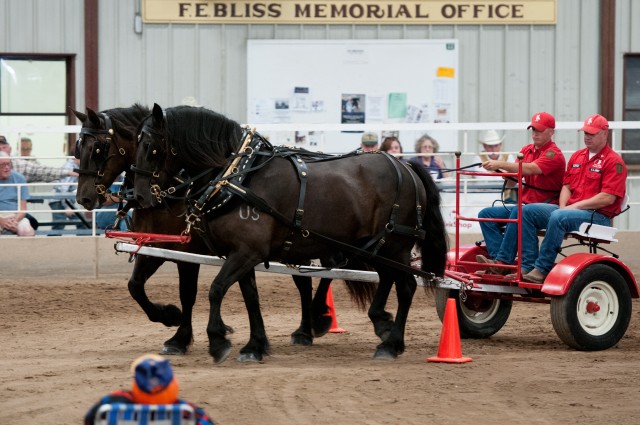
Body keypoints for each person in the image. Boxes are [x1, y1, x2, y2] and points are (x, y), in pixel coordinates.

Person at [521, 114, 627, 283]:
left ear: (604, 134)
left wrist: (572, 208)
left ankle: (542, 269)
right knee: (526, 211)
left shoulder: (614, 162)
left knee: (558, 216)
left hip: (598, 216)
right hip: (571, 211)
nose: (587, 137)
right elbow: (566, 186)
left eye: (591, 134)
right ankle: (527, 265)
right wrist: (564, 207)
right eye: (585, 133)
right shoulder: (578, 156)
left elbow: (607, 198)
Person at [476, 112, 566, 275]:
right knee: (486, 214)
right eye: (533, 129)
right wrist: (506, 174)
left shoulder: (554, 154)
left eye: (539, 130)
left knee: (521, 210)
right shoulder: (527, 150)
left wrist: (499, 164)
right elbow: (513, 180)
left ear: (551, 131)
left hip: (549, 206)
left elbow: (531, 168)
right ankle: (499, 262)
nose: (535, 133)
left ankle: (505, 261)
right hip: (526, 206)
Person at [84, 354, 215, 425]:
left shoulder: (111, 404)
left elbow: (89, 420)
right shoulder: (188, 413)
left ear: (136, 385)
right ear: (173, 385)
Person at [0, 134, 75, 183]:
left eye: (4, 147)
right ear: (18, 148)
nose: (1, 150)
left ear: (10, 149)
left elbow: (43, 171)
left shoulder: (21, 165)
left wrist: (68, 172)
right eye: (23, 149)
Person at [0, 151, 35, 236]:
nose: (7, 168)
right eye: (3, 165)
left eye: (8, 164)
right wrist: (2, 221)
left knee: (27, 230)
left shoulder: (19, 178)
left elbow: (23, 209)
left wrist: (15, 221)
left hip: (15, 215)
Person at [49, 157, 82, 231]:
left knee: (81, 221)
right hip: (59, 200)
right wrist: (67, 206)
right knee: (59, 225)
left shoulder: (76, 166)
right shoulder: (70, 167)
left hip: (62, 199)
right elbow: (64, 188)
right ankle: (51, 241)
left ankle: (83, 241)